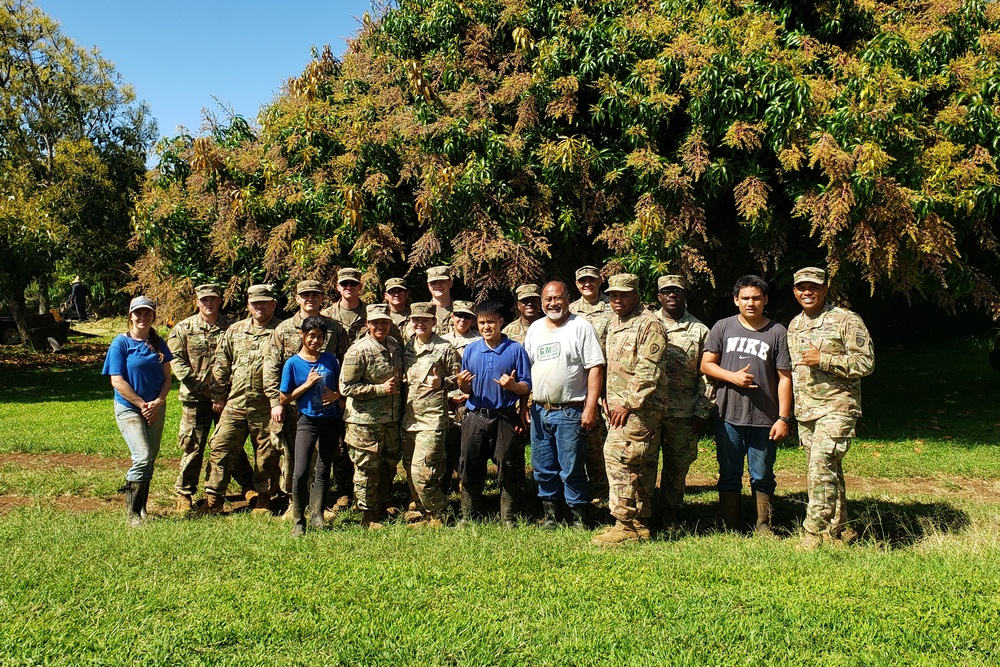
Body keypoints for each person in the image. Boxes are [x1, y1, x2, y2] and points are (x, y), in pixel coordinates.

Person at [787, 267, 874, 550]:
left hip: (838, 407)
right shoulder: (795, 325)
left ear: (825, 289)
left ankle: (813, 534)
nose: (807, 292)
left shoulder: (846, 320)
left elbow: (865, 364)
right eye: (801, 287)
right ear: (795, 292)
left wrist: (823, 359)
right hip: (807, 411)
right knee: (829, 470)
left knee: (820, 467)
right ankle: (840, 529)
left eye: (813, 286)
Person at [701, 275, 792, 534]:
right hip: (728, 414)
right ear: (735, 300)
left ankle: (764, 526)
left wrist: (783, 418)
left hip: (765, 417)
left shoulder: (777, 332)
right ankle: (730, 526)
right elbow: (706, 364)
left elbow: (785, 377)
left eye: (756, 298)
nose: (750, 303)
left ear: (765, 300)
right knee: (729, 473)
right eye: (745, 298)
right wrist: (734, 377)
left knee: (762, 474)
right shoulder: (723, 327)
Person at [593, 274, 670, 545]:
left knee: (618, 458)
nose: (617, 299)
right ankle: (639, 522)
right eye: (613, 294)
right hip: (616, 406)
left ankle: (623, 523)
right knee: (638, 463)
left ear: (636, 295)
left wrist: (627, 402)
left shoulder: (650, 324)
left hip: (638, 408)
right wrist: (604, 396)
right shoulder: (613, 322)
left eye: (623, 295)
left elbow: (648, 370)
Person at [263, 280, 350, 511]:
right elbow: (271, 367)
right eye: (305, 295)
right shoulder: (283, 329)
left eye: (315, 294)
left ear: (322, 298)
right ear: (297, 298)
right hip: (291, 404)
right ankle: (295, 504)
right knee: (295, 456)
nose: (310, 299)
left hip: (325, 405)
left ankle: (321, 504)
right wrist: (276, 403)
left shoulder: (335, 328)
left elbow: (344, 364)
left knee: (327, 456)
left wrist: (341, 398)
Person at [524, 281, 604, 529]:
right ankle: (551, 515)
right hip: (540, 410)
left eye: (558, 298)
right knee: (543, 467)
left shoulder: (580, 327)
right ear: (541, 302)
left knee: (571, 468)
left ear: (568, 298)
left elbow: (595, 368)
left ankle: (578, 515)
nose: (553, 303)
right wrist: (525, 405)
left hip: (570, 411)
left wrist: (591, 407)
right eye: (548, 299)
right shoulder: (535, 329)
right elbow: (528, 368)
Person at [167, 283, 253, 512]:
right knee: (193, 445)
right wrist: (201, 388)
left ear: (220, 301)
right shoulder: (184, 328)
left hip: (228, 397)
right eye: (204, 299)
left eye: (213, 299)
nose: (208, 304)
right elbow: (176, 361)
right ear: (197, 302)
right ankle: (184, 492)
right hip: (195, 398)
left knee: (230, 444)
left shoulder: (233, 327)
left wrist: (225, 393)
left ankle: (248, 485)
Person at [201, 284, 283, 515]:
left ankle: (264, 499)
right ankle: (213, 500)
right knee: (221, 447)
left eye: (265, 302)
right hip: (235, 403)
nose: (260, 306)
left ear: (273, 305)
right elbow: (221, 364)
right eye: (255, 302)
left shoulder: (282, 331)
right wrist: (218, 396)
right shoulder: (235, 331)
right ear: (248, 305)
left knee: (266, 455)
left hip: (266, 406)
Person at [457, 300, 532, 527]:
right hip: (476, 415)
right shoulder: (471, 350)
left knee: (508, 465)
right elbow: (466, 388)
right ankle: (468, 516)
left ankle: (508, 517)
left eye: (491, 322)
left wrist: (512, 386)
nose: (486, 327)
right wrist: (461, 384)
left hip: (504, 416)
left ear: (501, 322)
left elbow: (527, 386)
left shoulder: (515, 350)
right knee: (470, 464)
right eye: (481, 323)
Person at [102, 295, 173, 526]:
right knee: (142, 455)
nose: (142, 317)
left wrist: (158, 402)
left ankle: (142, 508)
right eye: (138, 313)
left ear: (153, 316)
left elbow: (167, 378)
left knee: (150, 458)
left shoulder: (159, 343)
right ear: (130, 316)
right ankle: (132, 514)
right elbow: (117, 381)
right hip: (130, 408)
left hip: (155, 408)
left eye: (147, 313)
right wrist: (143, 405)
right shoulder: (120, 343)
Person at [652, 275, 714, 528]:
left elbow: (707, 375)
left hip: (684, 412)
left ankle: (670, 516)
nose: (672, 295)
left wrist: (702, 411)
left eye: (677, 291)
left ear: (684, 295)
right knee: (644, 464)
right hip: (650, 411)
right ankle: (643, 514)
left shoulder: (700, 330)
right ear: (659, 296)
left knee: (677, 468)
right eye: (666, 291)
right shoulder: (646, 324)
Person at [340, 303, 405, 528]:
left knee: (388, 464)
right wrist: (379, 389)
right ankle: (368, 514)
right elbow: (345, 387)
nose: (380, 326)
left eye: (384, 322)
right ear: (368, 324)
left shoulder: (395, 345)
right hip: (364, 421)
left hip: (390, 418)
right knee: (366, 468)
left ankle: (384, 502)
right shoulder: (358, 350)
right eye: (375, 322)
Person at [279, 317, 343, 537]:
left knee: (324, 469)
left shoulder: (330, 360)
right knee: (300, 472)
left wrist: (336, 395)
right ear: (302, 336)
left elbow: (339, 389)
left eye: (320, 337)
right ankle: (298, 521)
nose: (316, 340)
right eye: (312, 336)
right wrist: (306, 384)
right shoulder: (293, 363)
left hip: (331, 419)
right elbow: (283, 397)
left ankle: (318, 515)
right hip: (307, 420)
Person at [400, 302, 460, 526]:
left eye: (425, 320)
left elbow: (461, 379)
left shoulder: (444, 348)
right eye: (416, 320)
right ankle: (424, 511)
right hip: (409, 418)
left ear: (434, 322)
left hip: (432, 420)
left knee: (422, 472)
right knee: (409, 469)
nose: (420, 323)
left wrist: (442, 382)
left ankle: (440, 512)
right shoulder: (406, 347)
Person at [569, 266, 612, 502]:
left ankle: (605, 489)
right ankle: (587, 488)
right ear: (576, 284)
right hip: (578, 384)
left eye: (592, 280)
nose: (587, 284)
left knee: (605, 441)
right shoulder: (571, 311)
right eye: (582, 280)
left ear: (600, 280)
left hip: (609, 383)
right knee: (584, 438)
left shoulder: (612, 307)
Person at [442, 300, 479, 494]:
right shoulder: (441, 341)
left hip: (470, 400)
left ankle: (465, 484)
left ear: (473, 320)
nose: (462, 320)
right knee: (447, 445)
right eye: (459, 315)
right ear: (452, 317)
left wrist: (467, 394)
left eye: (467, 316)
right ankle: (444, 484)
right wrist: (448, 397)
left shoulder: (480, 342)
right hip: (446, 401)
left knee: (467, 446)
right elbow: (437, 374)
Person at [322, 268, 368, 342]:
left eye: (353, 283)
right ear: (338, 287)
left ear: (360, 287)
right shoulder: (326, 316)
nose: (349, 287)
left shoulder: (371, 313)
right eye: (344, 283)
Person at [427, 265, 455, 336]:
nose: (438, 285)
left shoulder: (461, 313)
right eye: (434, 283)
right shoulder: (423, 313)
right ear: (429, 287)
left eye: (442, 282)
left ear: (450, 283)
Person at [384, 277, 413, 343]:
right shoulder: (382, 317)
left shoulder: (415, 315)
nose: (396, 294)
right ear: (386, 296)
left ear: (406, 294)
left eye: (401, 291)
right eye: (392, 291)